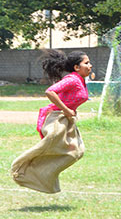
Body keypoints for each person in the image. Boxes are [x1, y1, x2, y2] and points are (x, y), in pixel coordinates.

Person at [10, 50, 92, 194]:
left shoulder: (80, 80)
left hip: (66, 119)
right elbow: (50, 92)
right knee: (67, 152)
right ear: (76, 67)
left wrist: (69, 111)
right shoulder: (72, 79)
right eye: (86, 63)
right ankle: (22, 168)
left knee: (77, 152)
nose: (90, 66)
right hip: (54, 118)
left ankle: (42, 175)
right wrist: (66, 109)